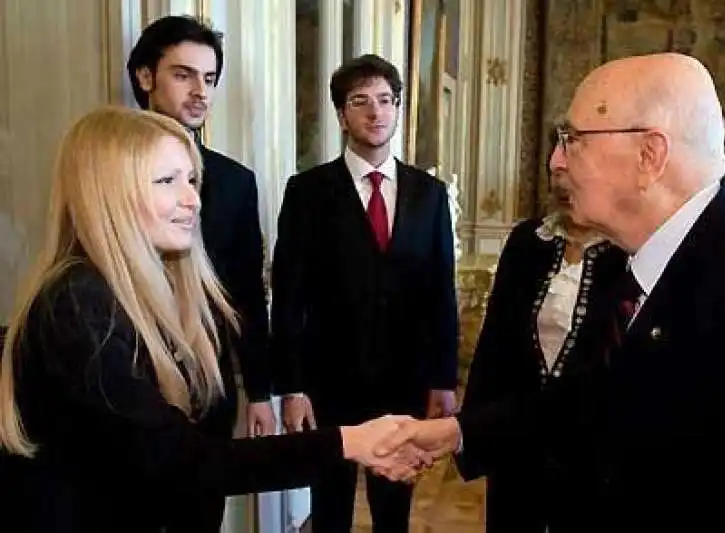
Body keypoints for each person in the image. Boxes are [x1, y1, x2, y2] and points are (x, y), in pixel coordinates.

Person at [375, 53, 725, 532]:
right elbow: (586, 397)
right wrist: (456, 432)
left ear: (649, 156)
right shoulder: (648, 262)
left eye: (573, 140)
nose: (557, 160)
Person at [0, 107, 422, 533]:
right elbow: (184, 460)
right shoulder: (78, 302)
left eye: (192, 179)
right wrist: (351, 441)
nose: (193, 199)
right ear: (106, 192)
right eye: (167, 181)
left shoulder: (141, 292)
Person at [270, 54, 459, 533]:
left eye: (385, 101)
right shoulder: (307, 192)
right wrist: (291, 387)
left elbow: (441, 291)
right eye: (361, 102)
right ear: (341, 115)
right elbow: (289, 294)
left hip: (405, 378)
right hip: (328, 379)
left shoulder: (430, 194)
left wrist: (443, 379)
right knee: (329, 507)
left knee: (393, 507)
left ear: (397, 109)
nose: (375, 112)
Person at [127, 17, 274, 530]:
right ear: (146, 77)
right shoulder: (106, 170)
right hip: (127, 385)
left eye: (209, 79)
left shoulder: (235, 182)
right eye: (184, 74)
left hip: (207, 387)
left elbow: (247, 296)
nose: (199, 92)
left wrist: (260, 392)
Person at [457, 138, 626, 532]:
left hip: (593, 448)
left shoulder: (628, 251)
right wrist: (475, 431)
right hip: (519, 438)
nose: (562, 184)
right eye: (555, 175)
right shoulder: (528, 240)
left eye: (571, 174)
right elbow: (495, 342)